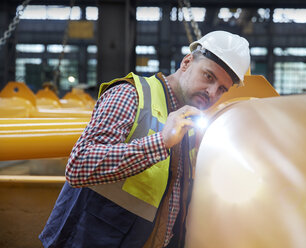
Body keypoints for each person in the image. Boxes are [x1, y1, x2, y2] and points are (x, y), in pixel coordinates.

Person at [39, 30, 251, 248]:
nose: (212, 93)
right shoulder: (130, 95)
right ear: (187, 62)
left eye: (222, 89)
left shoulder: (191, 123)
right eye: (208, 76)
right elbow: (79, 165)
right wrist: (160, 142)